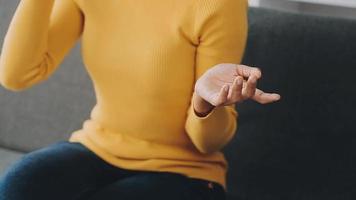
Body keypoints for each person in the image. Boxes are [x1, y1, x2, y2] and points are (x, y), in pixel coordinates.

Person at [0, 0, 281, 199]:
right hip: (97, 147)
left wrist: (204, 102)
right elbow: (17, 74)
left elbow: (208, 143)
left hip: (184, 171)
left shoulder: (218, 3)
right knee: (17, 187)